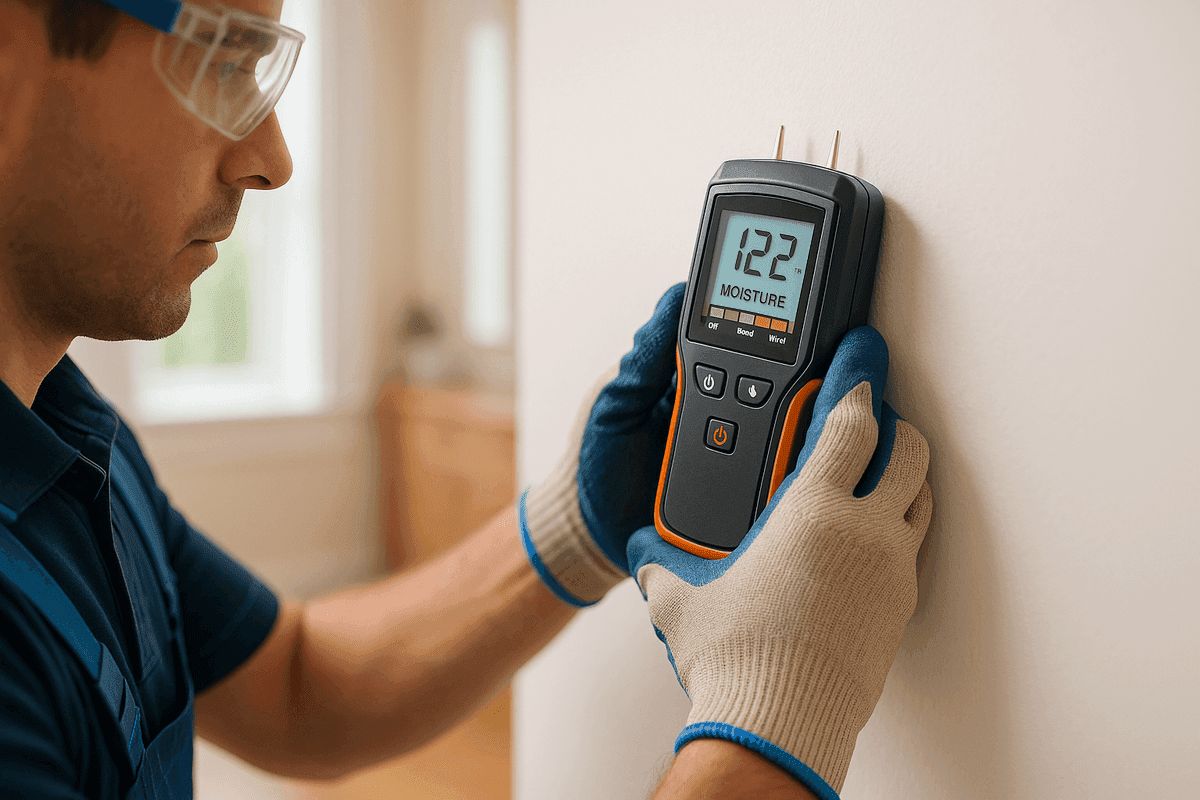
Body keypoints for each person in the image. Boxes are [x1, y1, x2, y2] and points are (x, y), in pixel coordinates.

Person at [0, 0, 933, 798]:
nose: (273, 158)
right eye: (220, 58)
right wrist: (769, 718)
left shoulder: (66, 425)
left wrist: (571, 525)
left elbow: (294, 686)